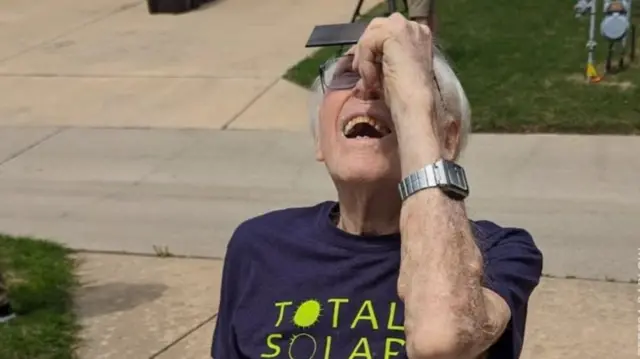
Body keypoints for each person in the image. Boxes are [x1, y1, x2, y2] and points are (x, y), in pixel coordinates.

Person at [211, 14, 542, 359]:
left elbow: (442, 340)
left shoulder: (500, 253)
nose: (366, 86)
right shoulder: (258, 245)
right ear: (320, 141)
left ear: (447, 139)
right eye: (347, 74)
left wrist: (414, 104)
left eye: (391, 78)